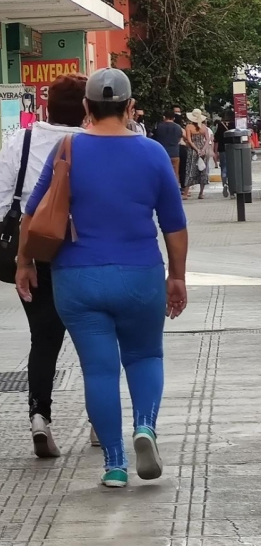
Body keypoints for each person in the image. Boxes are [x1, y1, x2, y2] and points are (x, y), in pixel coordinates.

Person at [16, 68, 188, 488]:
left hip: (77, 278)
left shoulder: (67, 147)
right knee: (146, 356)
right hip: (140, 273)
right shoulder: (152, 154)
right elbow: (175, 226)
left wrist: (24, 263)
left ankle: (114, 463)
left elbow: (32, 213)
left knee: (99, 369)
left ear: (87, 108)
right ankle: (145, 427)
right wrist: (177, 277)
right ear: (130, 107)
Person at [0, 74, 88, 458]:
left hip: (34, 252)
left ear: (46, 107)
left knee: (44, 339)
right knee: (93, 339)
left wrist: (23, 225)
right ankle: (97, 421)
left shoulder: (21, 141)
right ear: (87, 108)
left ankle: (40, 417)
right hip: (83, 253)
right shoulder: (93, 143)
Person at [183, 109, 209, 200]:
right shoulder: (204, 127)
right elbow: (207, 140)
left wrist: (196, 149)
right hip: (203, 150)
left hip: (192, 150)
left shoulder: (189, 127)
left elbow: (189, 140)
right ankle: (201, 193)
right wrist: (203, 150)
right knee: (202, 171)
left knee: (190, 169)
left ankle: (186, 193)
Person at [154, 110, 184, 176]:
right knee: (175, 174)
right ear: (174, 118)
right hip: (175, 153)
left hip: (162, 153)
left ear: (164, 117)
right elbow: (179, 138)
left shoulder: (159, 126)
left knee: (163, 174)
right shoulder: (178, 127)